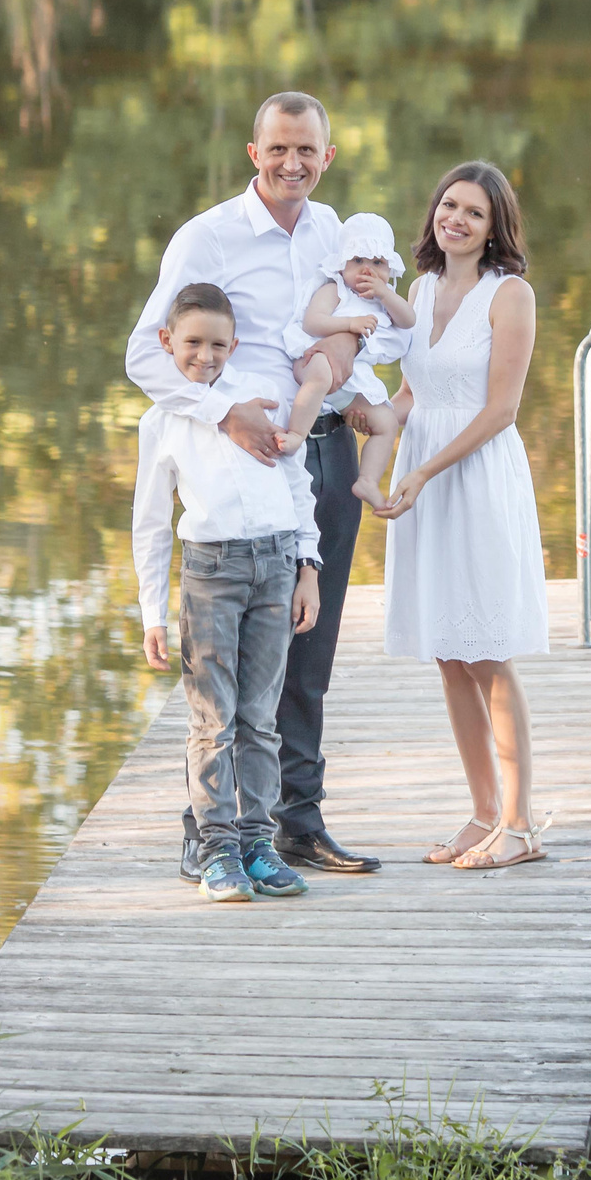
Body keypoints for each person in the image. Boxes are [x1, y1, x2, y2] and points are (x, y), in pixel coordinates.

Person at [124, 91, 402, 878]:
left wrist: (350, 361)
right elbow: (145, 357)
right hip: (243, 462)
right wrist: (222, 412)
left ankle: (295, 822)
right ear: (254, 152)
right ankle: (205, 827)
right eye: (278, 148)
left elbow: (359, 323)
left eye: (306, 150)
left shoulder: (333, 233)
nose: (292, 163)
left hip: (323, 454)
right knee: (233, 667)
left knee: (307, 652)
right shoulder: (206, 238)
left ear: (327, 155)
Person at [374, 160, 554, 871]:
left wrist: (421, 469)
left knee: (487, 649)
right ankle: (483, 811)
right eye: (449, 205)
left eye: (473, 212)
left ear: (494, 228)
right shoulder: (418, 290)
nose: (456, 219)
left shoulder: (509, 296)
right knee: (449, 650)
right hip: (422, 472)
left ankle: (521, 823)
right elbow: (412, 393)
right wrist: (369, 417)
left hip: (473, 476)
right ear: (434, 214)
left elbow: (501, 409)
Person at [130, 283, 321, 903]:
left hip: (274, 567)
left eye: (218, 344)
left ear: (234, 345)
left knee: (260, 720)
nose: (205, 356)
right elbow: (153, 524)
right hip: (211, 574)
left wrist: (307, 567)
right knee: (213, 723)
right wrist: (151, 613)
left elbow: (297, 485)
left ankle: (258, 844)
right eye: (192, 343)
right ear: (167, 343)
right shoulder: (162, 422)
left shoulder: (256, 402)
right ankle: (216, 850)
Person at [281, 212, 415, 508]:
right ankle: (295, 433)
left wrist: (385, 295)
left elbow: (408, 320)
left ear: (389, 268)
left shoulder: (384, 300)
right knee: (322, 376)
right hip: (314, 357)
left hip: (351, 380)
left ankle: (367, 480)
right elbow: (313, 323)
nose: (367, 270)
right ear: (341, 264)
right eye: (358, 261)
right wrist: (350, 325)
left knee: (386, 421)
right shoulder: (334, 289)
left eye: (377, 263)